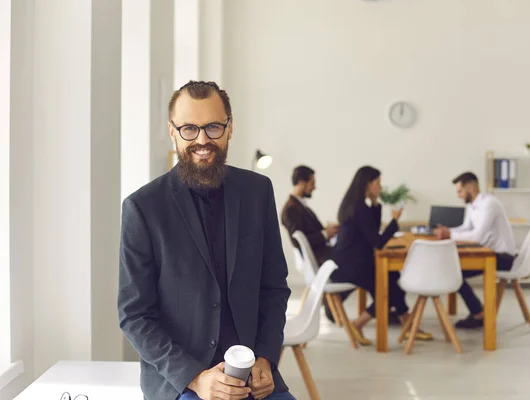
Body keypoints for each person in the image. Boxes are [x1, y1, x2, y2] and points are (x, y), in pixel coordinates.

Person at [118, 81, 295, 400]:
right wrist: (194, 378)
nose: (202, 139)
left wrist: (266, 358)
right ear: (172, 131)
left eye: (213, 127)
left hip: (255, 377)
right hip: (183, 381)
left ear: (230, 129)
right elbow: (134, 314)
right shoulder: (142, 207)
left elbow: (273, 287)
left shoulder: (258, 192)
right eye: (189, 128)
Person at [330, 166, 432, 345]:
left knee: (393, 277)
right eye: (378, 183)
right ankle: (359, 324)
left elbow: (372, 232)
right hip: (351, 266)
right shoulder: (359, 208)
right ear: (368, 185)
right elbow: (377, 242)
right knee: (389, 290)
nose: (381, 187)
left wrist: (376, 203)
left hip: (349, 262)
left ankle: (407, 323)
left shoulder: (356, 204)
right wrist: (394, 222)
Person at [434, 171, 517, 330]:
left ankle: (478, 313)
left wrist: (449, 235)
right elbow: (467, 228)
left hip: (503, 256)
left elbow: (477, 236)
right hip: (488, 253)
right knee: (453, 270)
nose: (458, 195)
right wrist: (448, 230)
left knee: (454, 272)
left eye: (460, 191)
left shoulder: (489, 204)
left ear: (470, 188)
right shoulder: (473, 205)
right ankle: (478, 311)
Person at [281, 165, 338, 267]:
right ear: (302, 182)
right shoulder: (291, 209)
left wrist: (327, 230)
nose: (314, 187)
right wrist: (325, 234)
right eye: (312, 183)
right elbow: (298, 242)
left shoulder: (299, 206)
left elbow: (310, 231)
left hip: (324, 255)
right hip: (321, 259)